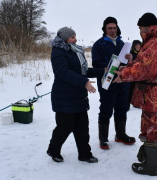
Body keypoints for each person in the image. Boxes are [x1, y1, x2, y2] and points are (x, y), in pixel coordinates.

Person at [113, 13, 157, 176]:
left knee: (151, 128)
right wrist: (127, 67)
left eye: (141, 28)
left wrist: (124, 75)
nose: (140, 31)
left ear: (148, 27)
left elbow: (147, 69)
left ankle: (150, 166)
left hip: (155, 95)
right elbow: (146, 64)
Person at [47, 27, 105, 163]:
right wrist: (84, 82)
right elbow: (64, 72)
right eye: (72, 37)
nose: (76, 39)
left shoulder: (75, 51)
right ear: (65, 39)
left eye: (75, 36)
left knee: (82, 128)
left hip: (78, 96)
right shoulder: (58, 52)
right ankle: (53, 150)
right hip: (64, 97)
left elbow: (83, 71)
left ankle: (85, 154)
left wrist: (102, 70)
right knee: (64, 127)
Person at [92, 17, 136, 150]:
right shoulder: (99, 44)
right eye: (109, 28)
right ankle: (103, 139)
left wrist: (130, 59)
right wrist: (112, 67)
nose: (112, 30)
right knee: (106, 109)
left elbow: (129, 64)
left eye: (114, 28)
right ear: (105, 29)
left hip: (123, 82)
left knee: (122, 109)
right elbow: (96, 64)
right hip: (108, 83)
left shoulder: (123, 44)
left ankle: (120, 135)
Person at [128, 40, 142, 110]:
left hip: (140, 74)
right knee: (130, 89)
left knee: (139, 89)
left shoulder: (142, 53)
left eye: (139, 45)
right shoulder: (131, 53)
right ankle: (127, 104)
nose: (138, 46)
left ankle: (138, 103)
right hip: (132, 74)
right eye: (136, 45)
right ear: (134, 46)